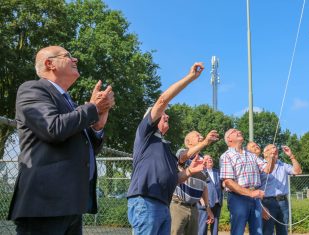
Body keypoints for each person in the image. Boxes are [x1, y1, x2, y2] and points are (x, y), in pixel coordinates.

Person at [7, 46, 115, 235]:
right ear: (50, 64)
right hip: (44, 205)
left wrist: (97, 125)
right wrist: (91, 108)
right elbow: (53, 128)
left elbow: (83, 147)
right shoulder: (32, 89)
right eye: (68, 56)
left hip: (70, 205)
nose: (75, 60)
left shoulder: (68, 101)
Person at [127, 62, 208, 235]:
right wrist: (190, 77)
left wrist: (190, 172)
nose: (167, 115)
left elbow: (175, 178)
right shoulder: (145, 134)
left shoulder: (166, 148)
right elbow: (163, 99)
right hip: (145, 201)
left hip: (163, 204)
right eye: (163, 114)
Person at [219, 128, 276, 235]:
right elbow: (228, 182)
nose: (238, 131)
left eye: (238, 130)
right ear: (229, 139)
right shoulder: (226, 156)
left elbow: (268, 169)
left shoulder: (251, 155)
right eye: (234, 131)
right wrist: (251, 193)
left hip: (255, 198)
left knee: (258, 232)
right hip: (237, 198)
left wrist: (271, 159)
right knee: (238, 232)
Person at [171, 131, 218, 235]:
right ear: (188, 142)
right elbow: (182, 157)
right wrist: (205, 142)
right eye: (197, 136)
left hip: (194, 208)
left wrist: (207, 208)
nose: (201, 137)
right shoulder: (183, 152)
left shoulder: (202, 160)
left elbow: (204, 186)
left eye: (201, 135)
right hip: (178, 207)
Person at [260, 144, 302, 235]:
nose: (275, 149)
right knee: (267, 232)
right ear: (265, 154)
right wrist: (261, 207)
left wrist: (291, 156)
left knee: (283, 232)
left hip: (283, 202)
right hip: (267, 203)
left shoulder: (283, 165)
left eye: (275, 148)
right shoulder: (260, 166)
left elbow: (298, 172)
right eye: (271, 148)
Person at [198, 155, 223, 235]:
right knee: (202, 227)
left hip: (217, 203)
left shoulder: (218, 171)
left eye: (211, 158)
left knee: (215, 228)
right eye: (207, 159)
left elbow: (222, 185)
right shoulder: (201, 171)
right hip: (205, 204)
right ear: (203, 161)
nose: (210, 159)